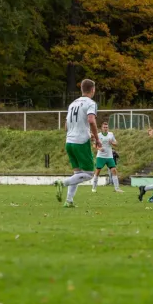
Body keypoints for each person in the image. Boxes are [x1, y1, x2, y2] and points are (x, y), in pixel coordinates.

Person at [55, 79, 102, 208]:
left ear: (81, 89)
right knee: (88, 174)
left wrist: (85, 132)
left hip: (69, 141)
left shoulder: (72, 104)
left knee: (77, 173)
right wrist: (97, 138)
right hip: (81, 142)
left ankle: (69, 201)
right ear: (93, 90)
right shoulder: (91, 103)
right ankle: (62, 183)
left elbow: (66, 126)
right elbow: (91, 120)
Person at [91, 122, 123, 193]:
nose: (105, 128)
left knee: (114, 170)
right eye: (104, 127)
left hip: (109, 156)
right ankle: (93, 188)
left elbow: (116, 143)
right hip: (100, 156)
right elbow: (94, 145)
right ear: (101, 128)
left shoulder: (111, 134)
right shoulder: (98, 135)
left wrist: (112, 143)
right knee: (97, 171)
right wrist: (99, 149)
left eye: (106, 127)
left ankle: (117, 188)